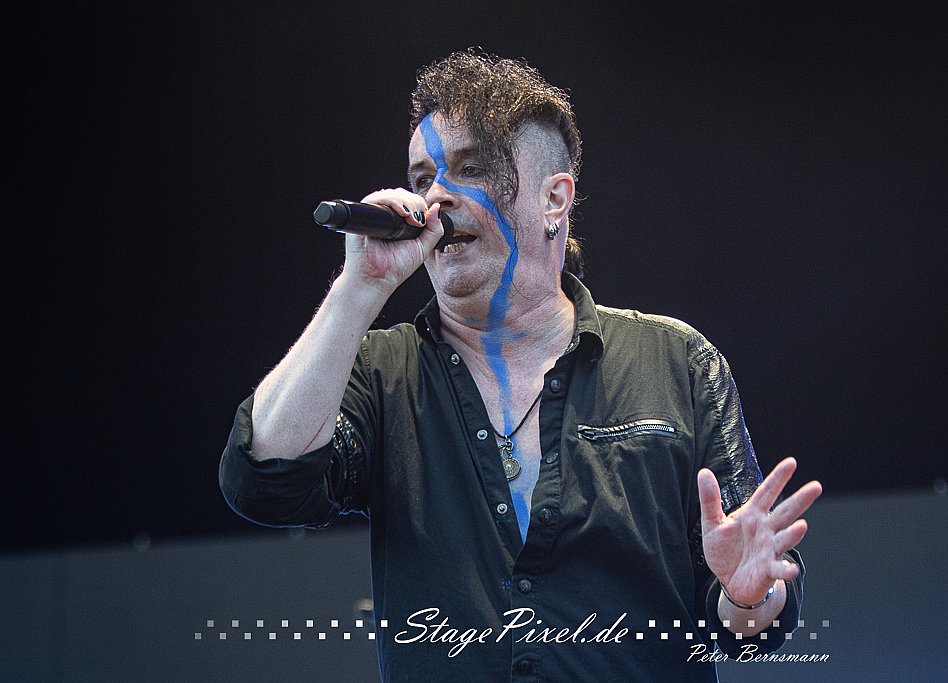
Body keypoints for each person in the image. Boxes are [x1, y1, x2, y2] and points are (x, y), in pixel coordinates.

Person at [219, 49, 822, 682]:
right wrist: (359, 288)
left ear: (554, 199)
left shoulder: (676, 364)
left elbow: (750, 630)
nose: (435, 198)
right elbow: (263, 480)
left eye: (471, 169)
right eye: (423, 179)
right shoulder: (382, 373)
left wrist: (748, 598)